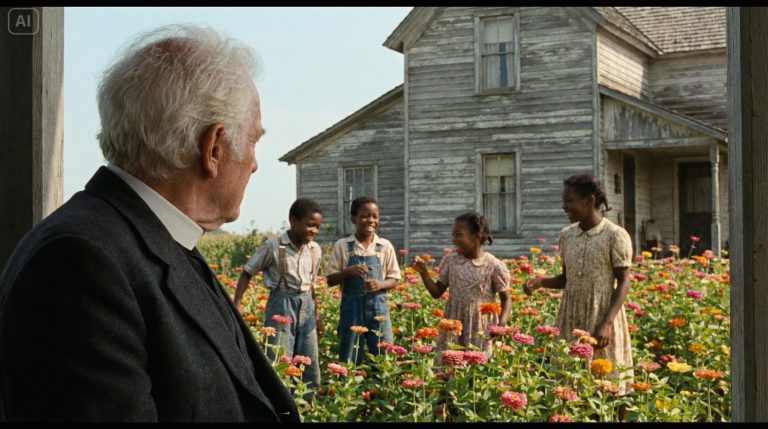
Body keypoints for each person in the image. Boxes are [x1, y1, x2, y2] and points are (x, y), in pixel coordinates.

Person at [0, 25, 298, 422]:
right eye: (253, 143)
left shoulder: (146, 239)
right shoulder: (80, 262)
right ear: (213, 148)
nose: (255, 164)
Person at [524, 173, 634, 418]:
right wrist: (541, 282)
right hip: (572, 316)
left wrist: (606, 323)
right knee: (571, 380)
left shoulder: (615, 235)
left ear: (589, 201)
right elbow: (566, 279)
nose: (564, 206)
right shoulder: (567, 235)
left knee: (610, 381)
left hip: (603, 314)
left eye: (569, 200)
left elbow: (624, 281)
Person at [233, 198, 323, 391]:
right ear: (293, 221)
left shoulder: (315, 250)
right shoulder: (274, 246)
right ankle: (280, 406)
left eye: (317, 227)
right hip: (281, 303)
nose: (314, 231)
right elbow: (248, 271)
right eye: (310, 225)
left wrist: (317, 315)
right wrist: (237, 302)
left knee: (309, 361)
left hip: (307, 305)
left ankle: (307, 406)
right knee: (279, 358)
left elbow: (311, 285)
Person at [412, 212, 512, 358]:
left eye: (459, 235)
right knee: (450, 365)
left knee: (478, 366)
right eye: (453, 235)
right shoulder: (450, 261)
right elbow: (437, 292)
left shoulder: (493, 266)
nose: (454, 240)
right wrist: (423, 273)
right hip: (453, 323)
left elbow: (506, 299)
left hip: (480, 326)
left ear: (476, 236)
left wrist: (501, 325)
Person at [326, 196, 401, 365]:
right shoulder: (343, 245)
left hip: (379, 308)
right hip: (351, 309)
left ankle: (382, 389)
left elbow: (395, 279)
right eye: (365, 216)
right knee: (349, 355)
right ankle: (349, 390)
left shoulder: (384, 246)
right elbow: (330, 279)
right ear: (353, 218)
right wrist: (347, 272)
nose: (371, 220)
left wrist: (380, 284)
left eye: (375, 216)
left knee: (384, 355)